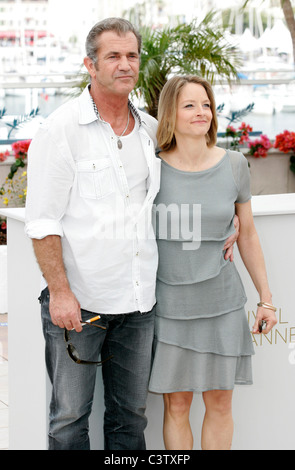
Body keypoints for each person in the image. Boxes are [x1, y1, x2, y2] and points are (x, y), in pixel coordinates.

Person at [25, 19, 237, 450]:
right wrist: (61, 292)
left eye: (132, 56)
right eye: (113, 56)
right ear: (90, 64)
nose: (125, 64)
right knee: (68, 419)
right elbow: (43, 221)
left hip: (140, 306)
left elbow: (183, 182)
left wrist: (228, 222)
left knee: (130, 419)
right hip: (79, 304)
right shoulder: (60, 130)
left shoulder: (148, 130)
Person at [148, 75, 277, 450]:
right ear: (170, 112)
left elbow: (248, 233)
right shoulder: (151, 168)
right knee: (177, 404)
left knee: (220, 403)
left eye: (206, 104)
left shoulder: (234, 164)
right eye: (189, 105)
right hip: (169, 305)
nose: (201, 112)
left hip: (221, 303)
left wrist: (265, 297)